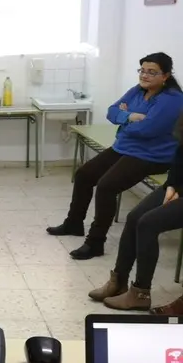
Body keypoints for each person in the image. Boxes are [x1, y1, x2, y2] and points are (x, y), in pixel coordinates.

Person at [47, 52, 183, 260]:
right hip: (125, 147)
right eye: (142, 71)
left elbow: (148, 130)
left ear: (165, 76)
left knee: (106, 186)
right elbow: (111, 112)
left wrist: (125, 123)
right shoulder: (138, 91)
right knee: (84, 174)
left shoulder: (172, 99)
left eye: (151, 72)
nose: (144, 76)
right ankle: (74, 223)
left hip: (152, 155)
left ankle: (95, 242)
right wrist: (130, 116)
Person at [89, 123, 183, 311]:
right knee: (134, 217)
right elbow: (180, 153)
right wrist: (173, 184)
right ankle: (118, 282)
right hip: (178, 185)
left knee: (148, 223)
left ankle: (140, 293)